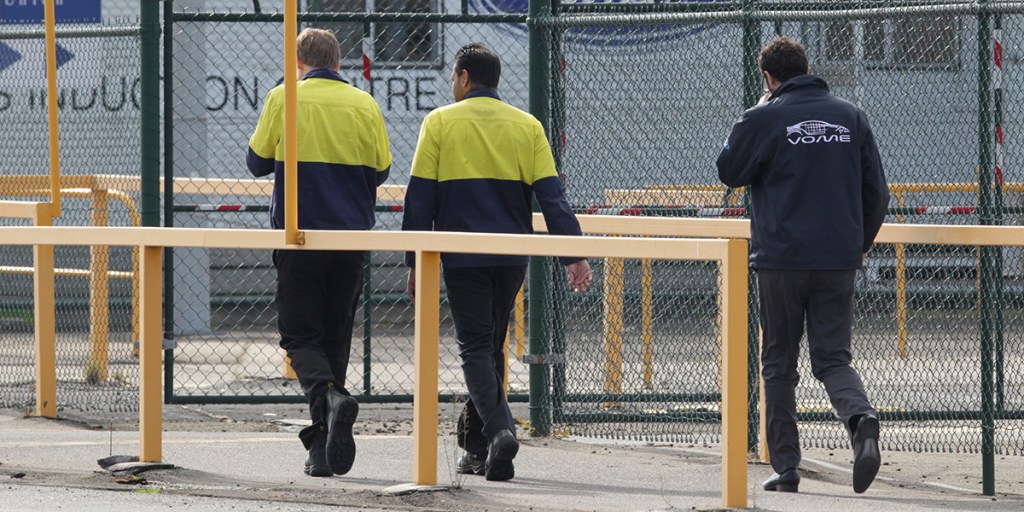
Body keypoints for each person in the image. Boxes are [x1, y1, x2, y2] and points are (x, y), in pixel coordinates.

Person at [401, 43, 592, 482]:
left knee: (474, 348)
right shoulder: (527, 126)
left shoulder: (439, 122)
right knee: (491, 347)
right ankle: (478, 447)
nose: (452, 85)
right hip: (511, 257)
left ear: (465, 77)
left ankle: (500, 430)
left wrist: (413, 260)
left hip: (463, 256)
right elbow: (552, 197)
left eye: (453, 77)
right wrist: (574, 255)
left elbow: (419, 199)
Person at [716, 36, 888, 494]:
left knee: (778, 361)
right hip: (838, 258)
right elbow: (878, 193)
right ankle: (861, 419)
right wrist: (859, 244)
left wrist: (752, 112)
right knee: (832, 358)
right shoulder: (851, 116)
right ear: (807, 67)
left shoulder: (764, 116)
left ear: (770, 79)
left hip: (782, 260)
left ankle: (786, 467)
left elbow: (729, 170)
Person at [246, 28, 392, 478]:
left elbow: (256, 163)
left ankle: (330, 403)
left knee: (300, 338)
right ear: (339, 63)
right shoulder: (364, 103)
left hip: (300, 235)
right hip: (351, 241)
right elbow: (382, 169)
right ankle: (321, 447)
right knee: (334, 337)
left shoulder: (284, 97)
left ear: (299, 61)